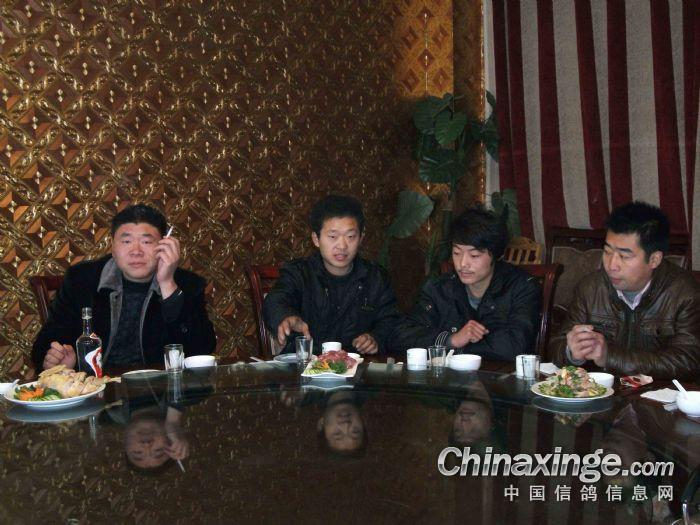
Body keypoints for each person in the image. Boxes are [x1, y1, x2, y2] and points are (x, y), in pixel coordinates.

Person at [32, 203, 216, 374]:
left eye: (146, 242)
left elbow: (201, 351)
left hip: (160, 389)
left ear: (164, 245)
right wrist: (58, 361)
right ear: (112, 247)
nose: (136, 251)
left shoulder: (187, 284)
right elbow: (44, 347)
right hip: (97, 388)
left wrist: (168, 285)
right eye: (126, 242)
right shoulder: (82, 280)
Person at [549, 201, 700, 380]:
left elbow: (688, 361)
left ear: (654, 259)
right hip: (603, 392)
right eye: (607, 252)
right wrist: (571, 352)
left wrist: (609, 357)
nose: (612, 265)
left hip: (662, 396)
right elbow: (556, 345)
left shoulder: (685, 293)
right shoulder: (591, 288)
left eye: (624, 256)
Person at [393, 207, 540, 360]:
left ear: (496, 255)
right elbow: (401, 336)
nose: (463, 263)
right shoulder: (439, 289)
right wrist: (452, 340)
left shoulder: (521, 287)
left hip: (499, 374)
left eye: (474, 255)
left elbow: (516, 345)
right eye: (456, 253)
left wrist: (460, 348)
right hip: (448, 375)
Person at [262, 195, 401, 355]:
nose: (342, 246)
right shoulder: (299, 273)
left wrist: (376, 338)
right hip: (306, 364)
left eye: (350, 236)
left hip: (356, 366)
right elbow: (276, 300)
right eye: (333, 237)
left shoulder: (376, 278)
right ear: (316, 239)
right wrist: (286, 317)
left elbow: (390, 320)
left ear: (361, 238)